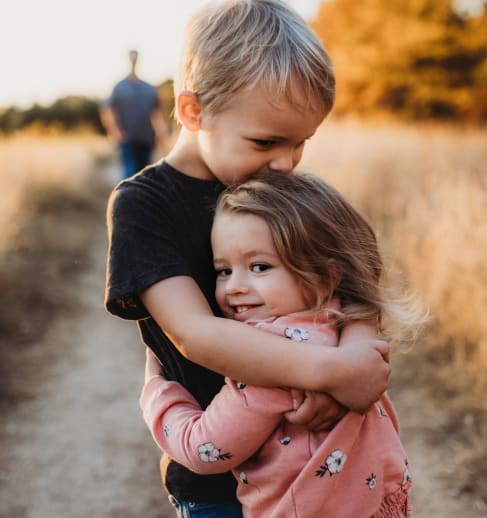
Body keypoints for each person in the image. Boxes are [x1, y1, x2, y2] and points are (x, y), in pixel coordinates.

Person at [105, 1, 390, 516]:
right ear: (193, 112)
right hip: (221, 483)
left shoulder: (280, 191)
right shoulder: (144, 206)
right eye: (265, 142)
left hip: (325, 464)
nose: (285, 163)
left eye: (301, 143)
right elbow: (196, 334)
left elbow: (357, 279)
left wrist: (356, 359)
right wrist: (327, 371)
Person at [140, 172, 417, 518]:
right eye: (223, 271)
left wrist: (157, 392)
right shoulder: (342, 323)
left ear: (326, 274)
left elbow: (202, 450)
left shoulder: (265, 359)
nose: (235, 287)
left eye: (259, 267)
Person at [100, 49, 169, 178]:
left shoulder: (148, 88)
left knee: (144, 176)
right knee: (130, 175)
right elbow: (108, 110)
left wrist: (162, 135)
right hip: (128, 140)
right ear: (128, 59)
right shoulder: (119, 87)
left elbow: (157, 113)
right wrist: (115, 132)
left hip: (146, 139)